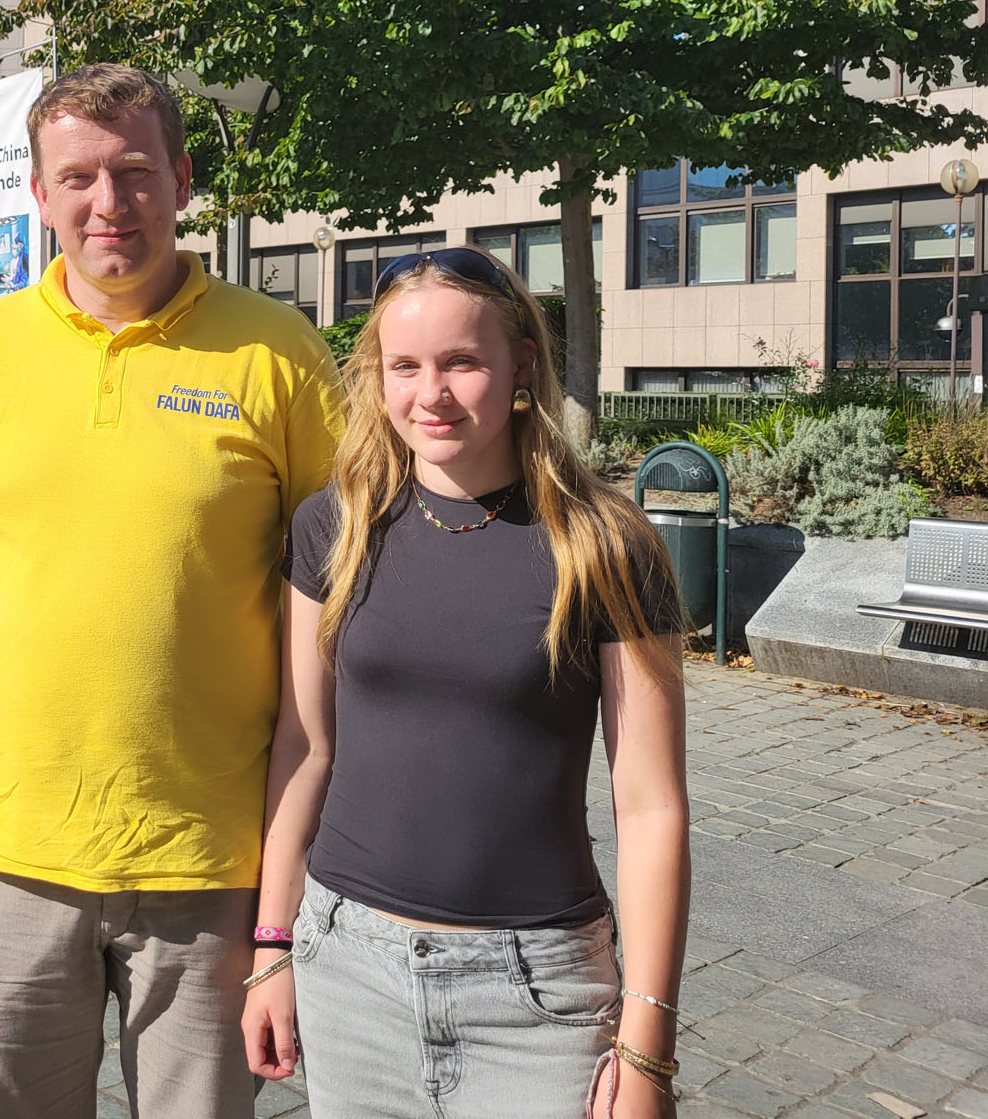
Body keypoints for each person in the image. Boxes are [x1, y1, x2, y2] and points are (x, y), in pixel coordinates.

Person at [0, 64, 346, 1119]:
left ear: (184, 180)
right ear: (39, 194)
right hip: (6, 849)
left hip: (210, 853)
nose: (109, 203)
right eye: (78, 178)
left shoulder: (279, 351)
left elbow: (345, 576)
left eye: (136, 172)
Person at [243, 247, 690, 1119]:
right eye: (404, 366)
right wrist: (271, 944)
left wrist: (648, 1048)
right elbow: (304, 744)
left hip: (537, 994)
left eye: (461, 362)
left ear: (521, 363)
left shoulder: (605, 544)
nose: (431, 394)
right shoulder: (334, 525)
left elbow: (651, 806)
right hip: (347, 968)